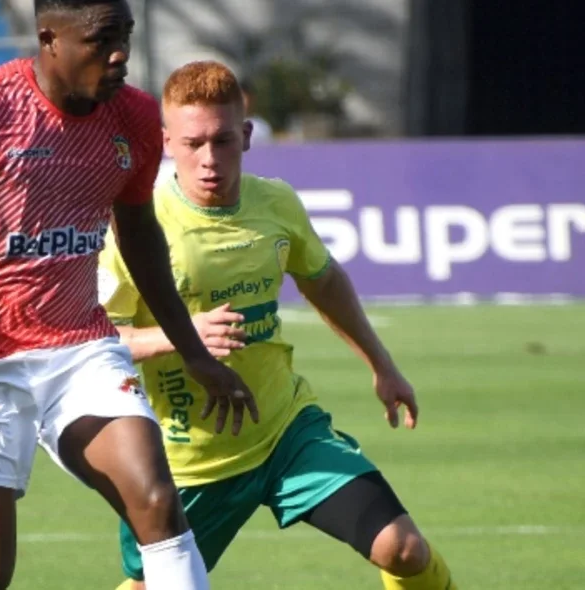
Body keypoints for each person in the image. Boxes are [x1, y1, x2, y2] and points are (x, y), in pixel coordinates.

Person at [0, 2, 258, 588]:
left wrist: (193, 352)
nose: (119, 54)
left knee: (158, 503)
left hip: (78, 349)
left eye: (125, 36)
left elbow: (139, 234)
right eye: (101, 40)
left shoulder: (134, 117)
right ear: (49, 38)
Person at [99, 60, 457, 590]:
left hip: (285, 432)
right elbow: (96, 340)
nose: (209, 159)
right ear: (166, 142)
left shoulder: (276, 203)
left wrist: (381, 365)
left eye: (222, 140)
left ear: (246, 136)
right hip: (191, 462)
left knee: (402, 548)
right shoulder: (135, 226)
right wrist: (182, 336)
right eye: (193, 143)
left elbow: (323, 279)